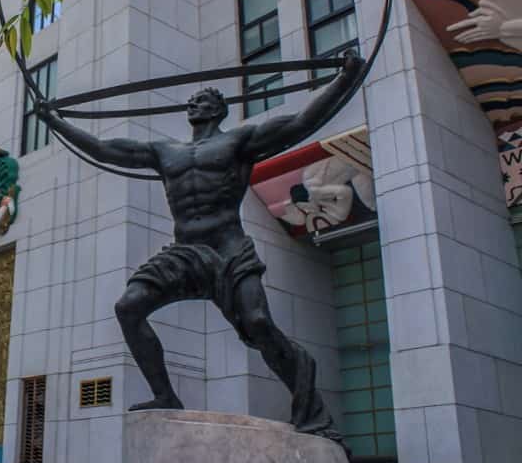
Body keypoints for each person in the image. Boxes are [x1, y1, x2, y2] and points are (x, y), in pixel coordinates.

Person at [35, 49, 364, 442]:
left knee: (259, 324)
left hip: (229, 249)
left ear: (219, 110)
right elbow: (105, 150)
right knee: (128, 307)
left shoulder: (239, 141)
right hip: (186, 252)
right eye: (191, 100)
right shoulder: (164, 152)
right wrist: (54, 121)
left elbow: (301, 122)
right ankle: (165, 395)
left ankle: (310, 408)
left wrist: (344, 79)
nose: (192, 102)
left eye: (202, 99)